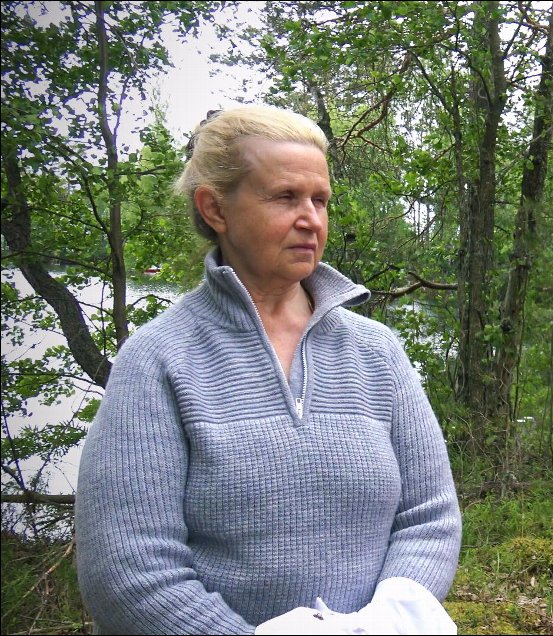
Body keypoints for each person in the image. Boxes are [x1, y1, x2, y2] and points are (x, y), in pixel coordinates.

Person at [74, 105, 462, 634]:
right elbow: (128, 569)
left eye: (320, 200)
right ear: (215, 208)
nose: (311, 218)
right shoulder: (159, 359)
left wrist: (387, 621)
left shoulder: (376, 353)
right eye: (285, 197)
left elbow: (429, 517)